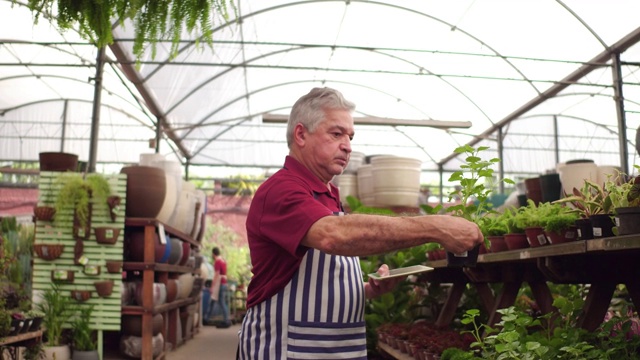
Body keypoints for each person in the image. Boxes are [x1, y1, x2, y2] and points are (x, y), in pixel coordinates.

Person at [237, 87, 483, 359]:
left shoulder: (328, 195)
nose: (348, 145)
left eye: (350, 136)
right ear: (300, 134)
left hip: (333, 349)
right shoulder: (281, 190)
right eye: (336, 133)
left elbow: (317, 281)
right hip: (287, 349)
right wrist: (435, 227)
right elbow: (333, 236)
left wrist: (367, 290)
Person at [207, 247, 231, 328]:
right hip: (224, 282)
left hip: (219, 283)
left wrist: (212, 286)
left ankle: (226, 319)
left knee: (220, 301)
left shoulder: (217, 261)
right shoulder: (223, 260)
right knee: (213, 301)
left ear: (213, 254)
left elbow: (216, 274)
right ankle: (207, 318)